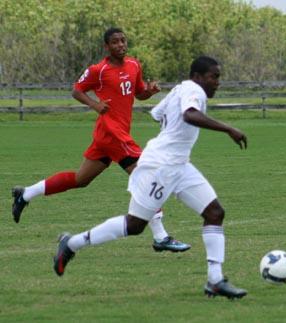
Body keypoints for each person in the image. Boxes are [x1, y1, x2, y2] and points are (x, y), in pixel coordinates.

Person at [52, 56, 248, 299]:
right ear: (198, 76)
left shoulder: (181, 89)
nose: (217, 82)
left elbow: (158, 114)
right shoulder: (193, 90)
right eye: (214, 77)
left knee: (215, 213)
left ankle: (215, 280)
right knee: (134, 225)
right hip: (161, 166)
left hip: (179, 165)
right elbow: (189, 115)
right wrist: (228, 128)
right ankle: (71, 244)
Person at [12, 27, 190, 253]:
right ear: (107, 47)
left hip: (110, 137)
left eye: (123, 41)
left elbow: (138, 92)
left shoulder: (134, 65)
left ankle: (26, 194)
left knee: (80, 179)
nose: (121, 45)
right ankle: (161, 237)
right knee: (149, 175)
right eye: (115, 42)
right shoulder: (99, 69)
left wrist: (150, 92)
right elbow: (77, 90)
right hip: (113, 133)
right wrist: (95, 105)